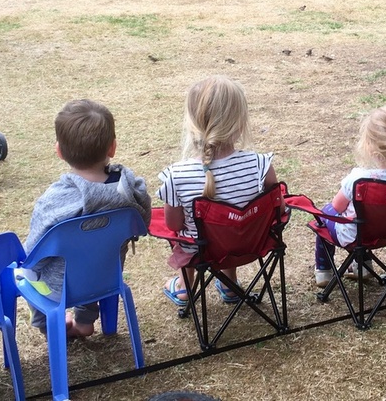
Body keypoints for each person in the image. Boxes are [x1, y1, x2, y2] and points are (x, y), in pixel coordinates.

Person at [23, 99, 152, 338]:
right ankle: (84, 320)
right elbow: (143, 224)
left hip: (58, 288)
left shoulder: (53, 201)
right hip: (107, 274)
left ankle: (47, 325)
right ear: (112, 148)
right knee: (92, 254)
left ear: (59, 151)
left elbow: (32, 256)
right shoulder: (132, 190)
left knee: (24, 272)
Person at [157, 75, 278, 305]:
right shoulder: (260, 165)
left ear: (192, 124)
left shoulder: (176, 175)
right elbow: (277, 210)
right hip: (250, 245)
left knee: (188, 234)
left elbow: (173, 225)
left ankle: (184, 286)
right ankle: (229, 283)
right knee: (232, 222)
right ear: (240, 123)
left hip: (202, 253)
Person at [312, 104, 386, 287]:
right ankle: (363, 267)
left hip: (357, 236)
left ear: (370, 147)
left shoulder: (359, 179)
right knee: (364, 220)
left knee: (324, 215)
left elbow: (336, 207)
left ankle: (324, 270)